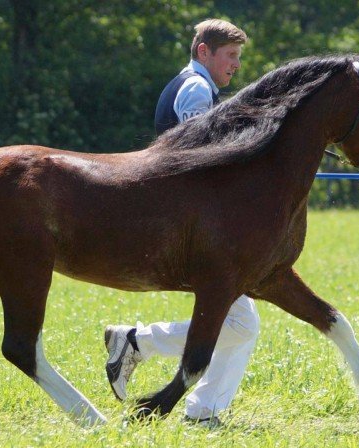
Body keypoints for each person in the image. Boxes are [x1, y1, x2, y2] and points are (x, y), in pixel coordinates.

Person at [105, 19, 260, 425]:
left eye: (238, 57)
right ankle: (142, 348)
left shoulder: (198, 86)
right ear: (203, 52)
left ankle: (199, 404)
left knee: (243, 324)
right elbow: (200, 149)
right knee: (242, 323)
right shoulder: (196, 87)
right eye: (230, 56)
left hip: (186, 216)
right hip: (188, 223)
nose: (236, 65)